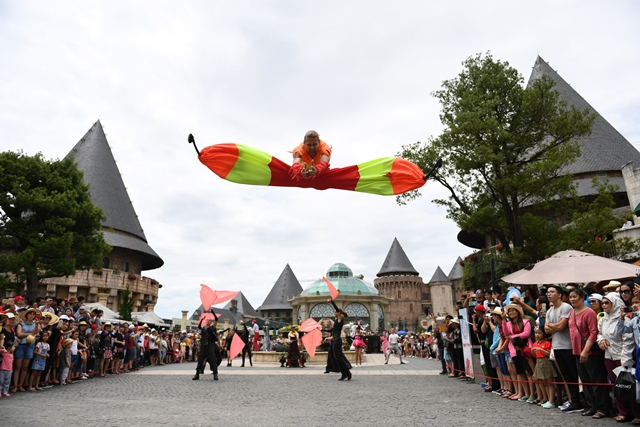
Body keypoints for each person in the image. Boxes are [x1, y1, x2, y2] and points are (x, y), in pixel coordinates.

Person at [568, 288, 610, 419]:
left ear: (582, 298)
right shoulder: (572, 313)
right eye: (571, 297)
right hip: (576, 351)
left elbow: (593, 332)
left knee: (596, 380)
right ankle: (591, 406)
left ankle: (603, 408)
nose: (573, 299)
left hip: (590, 352)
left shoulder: (589, 312)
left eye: (575, 296)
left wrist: (585, 350)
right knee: (585, 381)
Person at [599, 292, 638, 422]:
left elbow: (628, 339)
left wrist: (625, 358)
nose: (603, 305)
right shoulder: (603, 318)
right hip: (609, 355)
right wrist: (601, 340)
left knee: (629, 384)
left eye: (606, 303)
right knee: (616, 385)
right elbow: (600, 333)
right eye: (602, 303)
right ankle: (622, 411)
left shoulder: (623, 318)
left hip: (621, 356)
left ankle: (636, 413)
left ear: (614, 304)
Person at [544, 285, 581, 412]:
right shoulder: (549, 311)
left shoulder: (566, 307)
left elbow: (561, 327)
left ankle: (577, 400)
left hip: (568, 346)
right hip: (557, 346)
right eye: (548, 292)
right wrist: (556, 325)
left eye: (552, 292)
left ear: (559, 294)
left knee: (573, 374)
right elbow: (546, 329)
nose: (549, 294)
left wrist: (554, 326)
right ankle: (573, 400)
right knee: (565, 375)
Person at [12, 307, 40, 392]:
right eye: (30, 314)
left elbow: (36, 333)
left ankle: (21, 385)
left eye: (33, 314)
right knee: (18, 366)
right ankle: (15, 385)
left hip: (30, 346)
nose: (31, 316)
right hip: (21, 345)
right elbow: (19, 334)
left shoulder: (35, 324)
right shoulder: (21, 324)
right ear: (26, 315)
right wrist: (30, 334)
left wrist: (37, 325)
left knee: (25, 367)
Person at [327, 299, 352, 381]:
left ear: (338, 313)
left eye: (335, 312)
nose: (334, 313)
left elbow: (337, 309)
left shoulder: (340, 318)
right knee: (338, 357)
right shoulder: (336, 321)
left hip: (337, 340)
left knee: (338, 357)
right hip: (336, 339)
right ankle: (346, 372)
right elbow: (333, 332)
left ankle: (345, 373)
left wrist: (332, 302)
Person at [193, 312, 221, 381]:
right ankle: (197, 374)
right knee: (200, 360)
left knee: (212, 359)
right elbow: (199, 327)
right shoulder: (204, 328)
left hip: (210, 345)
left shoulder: (212, 327)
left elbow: (216, 319)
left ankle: (215, 374)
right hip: (203, 345)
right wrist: (201, 320)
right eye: (207, 320)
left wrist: (212, 312)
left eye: (209, 320)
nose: (208, 321)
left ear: (211, 322)